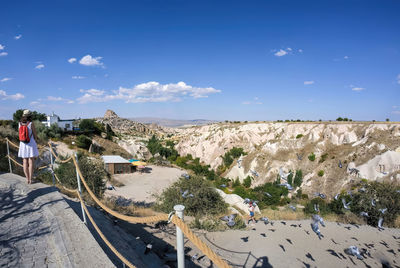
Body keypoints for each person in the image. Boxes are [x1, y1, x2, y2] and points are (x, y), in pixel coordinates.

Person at [18, 110, 39, 184]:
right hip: (30, 143)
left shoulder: (20, 123)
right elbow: (35, 135)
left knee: (24, 162)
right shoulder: (31, 123)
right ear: (30, 116)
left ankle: (27, 179)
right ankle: (30, 179)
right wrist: (37, 139)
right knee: (31, 162)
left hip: (23, 144)